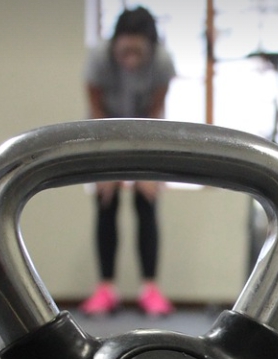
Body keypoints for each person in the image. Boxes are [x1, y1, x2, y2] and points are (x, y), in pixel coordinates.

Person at [81, 6, 176, 316]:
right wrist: (105, 166)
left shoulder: (162, 62)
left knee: (146, 199)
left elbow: (155, 112)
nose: (131, 60)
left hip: (146, 129)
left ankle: (150, 289)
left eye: (138, 53)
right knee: (105, 200)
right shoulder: (98, 59)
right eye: (125, 52)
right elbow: (96, 110)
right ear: (114, 45)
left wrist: (148, 169)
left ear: (151, 49)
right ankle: (106, 289)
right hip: (104, 129)